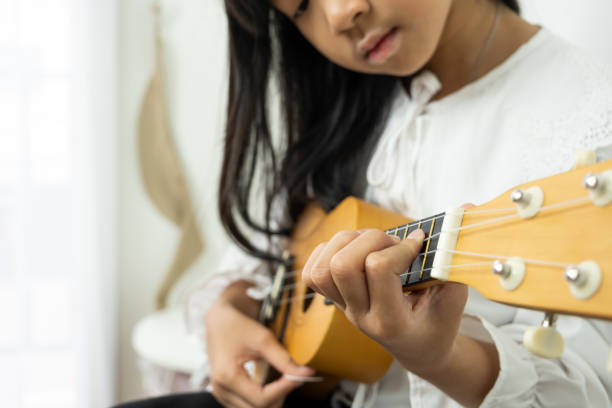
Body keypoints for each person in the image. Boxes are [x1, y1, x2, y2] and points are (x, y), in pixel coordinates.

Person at [116, 0, 612, 407]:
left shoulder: (589, 124)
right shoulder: (345, 101)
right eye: (301, 10)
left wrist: (440, 357)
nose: (337, 17)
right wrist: (227, 310)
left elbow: (590, 388)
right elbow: (261, 266)